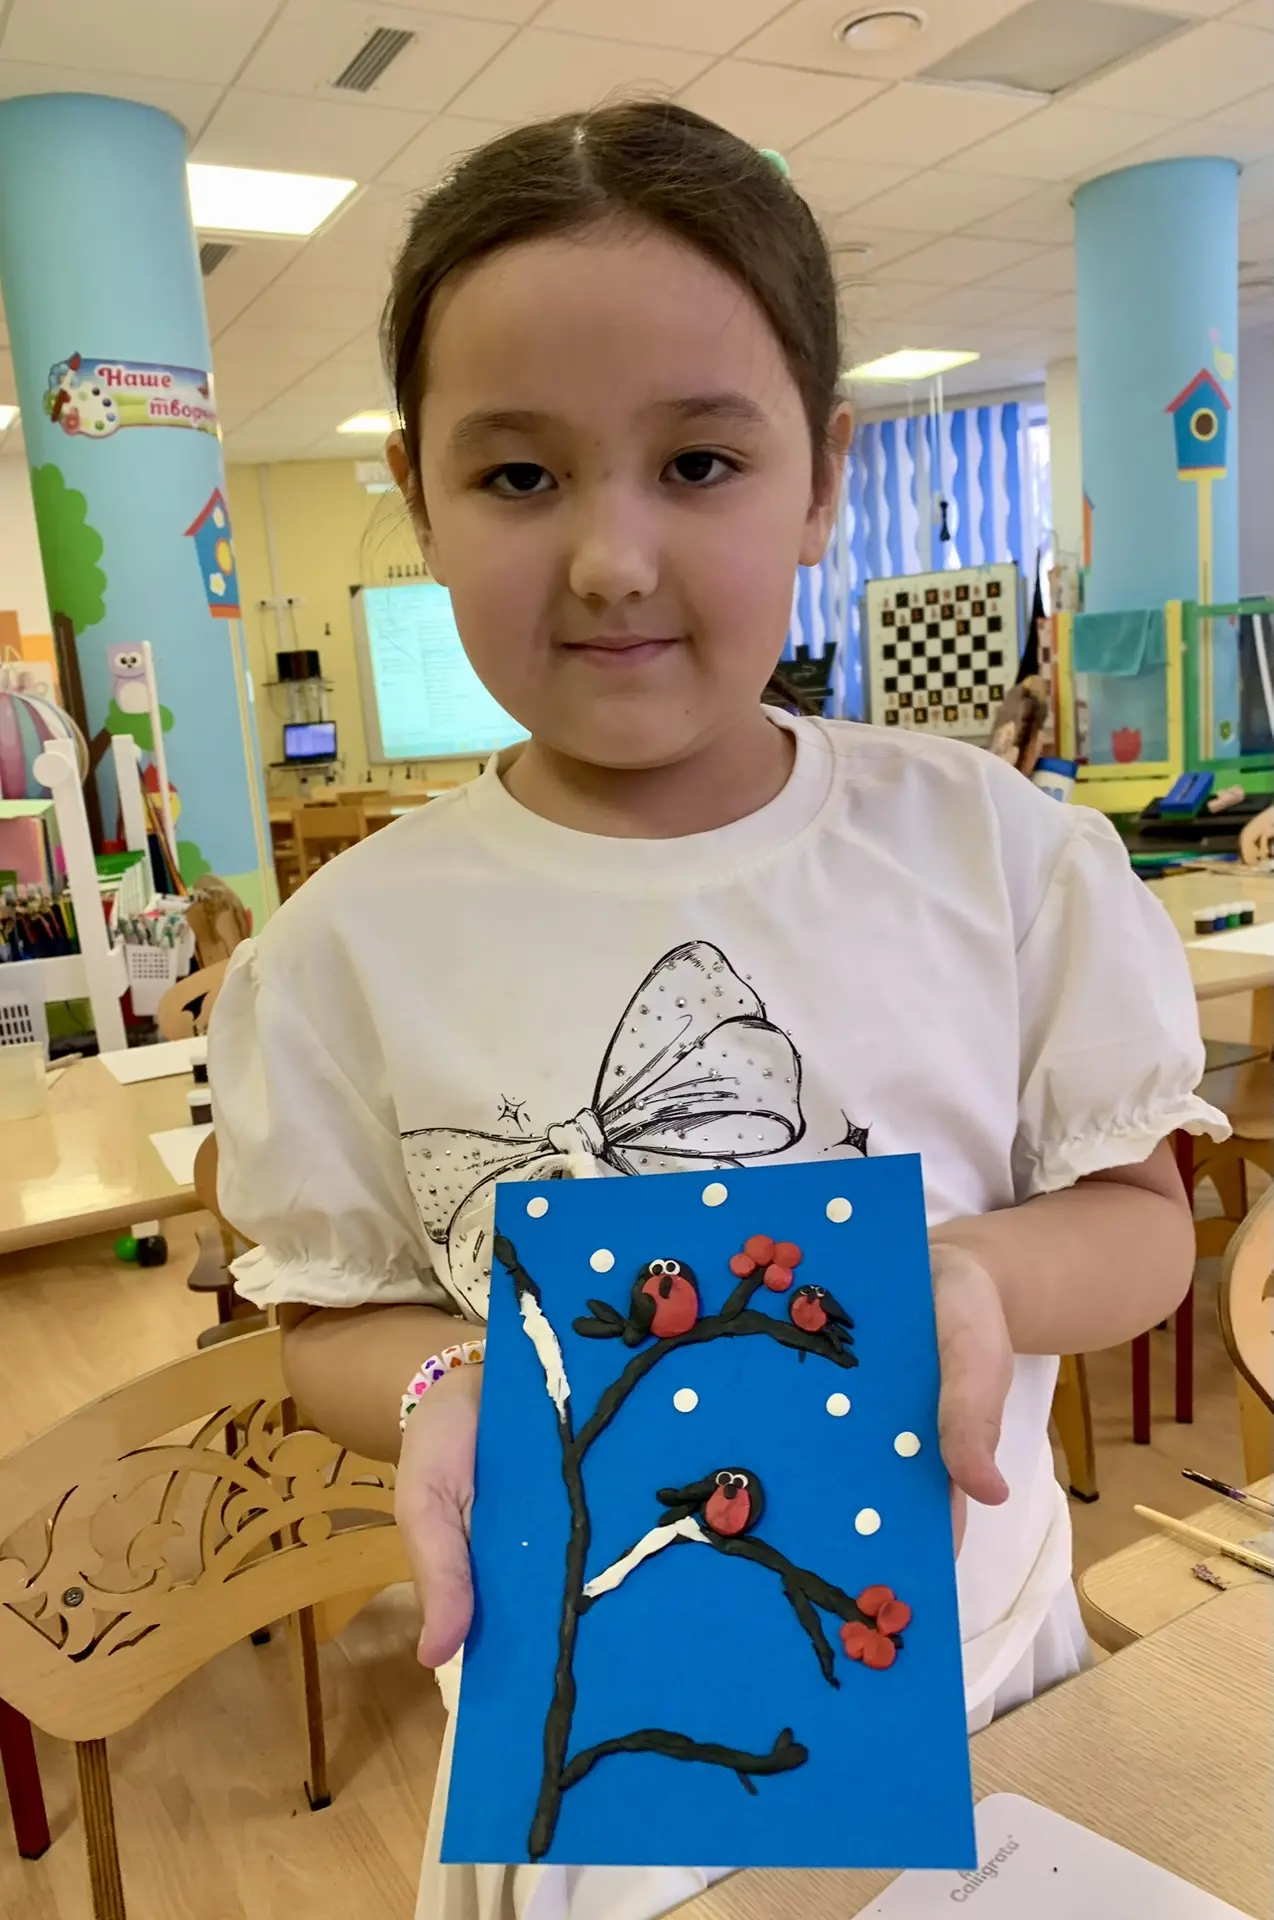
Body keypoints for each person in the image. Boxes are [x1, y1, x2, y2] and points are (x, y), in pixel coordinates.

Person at [209, 101, 1227, 1920]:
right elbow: (331, 1319)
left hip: (975, 1692)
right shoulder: (339, 952)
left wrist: (970, 1277)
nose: (610, 558)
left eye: (697, 462)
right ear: (419, 492)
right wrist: (442, 1383)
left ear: (821, 475)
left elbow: (1142, 1226)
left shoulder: (997, 854)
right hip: (586, 1752)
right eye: (519, 477)